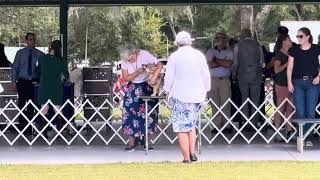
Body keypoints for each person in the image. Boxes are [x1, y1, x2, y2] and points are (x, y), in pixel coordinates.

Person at [164, 31, 211, 163]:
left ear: (177, 43)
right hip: (197, 95)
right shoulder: (199, 55)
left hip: (180, 95)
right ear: (190, 41)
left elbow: (169, 77)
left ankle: (186, 157)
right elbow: (206, 75)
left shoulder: (174, 56)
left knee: (181, 127)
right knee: (191, 125)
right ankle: (192, 153)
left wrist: (166, 90)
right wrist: (206, 91)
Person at [121, 45, 163, 152]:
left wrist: (153, 77)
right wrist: (137, 72)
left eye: (132, 58)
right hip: (133, 87)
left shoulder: (145, 54)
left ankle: (147, 142)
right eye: (128, 60)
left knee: (150, 113)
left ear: (135, 52)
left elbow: (159, 65)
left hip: (148, 86)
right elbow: (125, 77)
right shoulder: (124, 61)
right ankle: (131, 143)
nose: (130, 60)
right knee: (129, 113)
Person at [287, 27, 320, 147]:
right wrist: (289, 83)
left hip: (313, 82)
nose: (299, 38)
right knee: (300, 112)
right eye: (297, 36)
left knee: (310, 112)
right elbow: (289, 68)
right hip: (297, 82)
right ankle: (301, 138)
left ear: (308, 37)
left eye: (301, 36)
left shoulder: (316, 48)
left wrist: (319, 76)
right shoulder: (294, 50)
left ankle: (309, 138)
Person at [12, 33, 44, 135]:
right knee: (21, 104)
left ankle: (29, 128)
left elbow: (44, 67)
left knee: (31, 106)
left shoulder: (39, 54)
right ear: (26, 41)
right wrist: (13, 82)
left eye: (34, 39)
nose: (33, 41)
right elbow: (15, 68)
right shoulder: (20, 53)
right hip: (22, 81)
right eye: (30, 39)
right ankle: (22, 128)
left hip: (33, 82)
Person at [233, 29, 264, 129]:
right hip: (255, 75)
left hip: (242, 74)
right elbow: (262, 62)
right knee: (255, 100)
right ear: (251, 34)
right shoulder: (258, 45)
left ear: (242, 35)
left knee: (244, 99)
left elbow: (235, 63)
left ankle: (246, 122)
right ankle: (254, 123)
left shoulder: (237, 46)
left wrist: (234, 73)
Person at [38, 40, 69, 136]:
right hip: (56, 87)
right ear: (60, 48)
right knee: (58, 110)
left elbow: (38, 71)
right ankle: (60, 130)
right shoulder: (60, 60)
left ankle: (44, 132)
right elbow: (66, 75)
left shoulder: (42, 58)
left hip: (44, 87)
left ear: (50, 47)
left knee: (44, 109)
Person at [205, 32, 234, 134]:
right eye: (218, 38)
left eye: (222, 38)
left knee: (225, 103)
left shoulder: (230, 52)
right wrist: (222, 62)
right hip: (213, 80)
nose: (220, 40)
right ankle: (216, 126)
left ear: (226, 39)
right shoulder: (210, 51)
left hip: (224, 80)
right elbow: (210, 65)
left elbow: (228, 64)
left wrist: (216, 60)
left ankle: (227, 125)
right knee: (215, 103)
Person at [273, 34, 294, 142]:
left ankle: (289, 130)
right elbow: (276, 70)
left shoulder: (292, 53)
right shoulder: (279, 55)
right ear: (283, 42)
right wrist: (288, 64)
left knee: (290, 108)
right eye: (289, 39)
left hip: (291, 84)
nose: (291, 41)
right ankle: (277, 131)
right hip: (281, 84)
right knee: (280, 108)